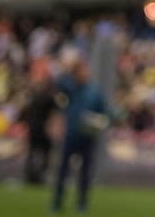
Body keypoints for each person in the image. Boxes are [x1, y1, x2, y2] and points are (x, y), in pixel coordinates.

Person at [50, 57, 109, 214]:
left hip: (88, 136)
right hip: (71, 134)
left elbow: (104, 112)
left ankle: (82, 203)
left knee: (85, 173)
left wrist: (98, 121)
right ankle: (57, 202)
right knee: (63, 170)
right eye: (81, 71)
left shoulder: (94, 91)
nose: (84, 74)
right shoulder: (71, 87)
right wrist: (69, 70)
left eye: (85, 70)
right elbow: (58, 85)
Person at [22, 75, 58, 185]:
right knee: (46, 152)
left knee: (32, 152)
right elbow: (56, 113)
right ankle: (41, 174)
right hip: (42, 130)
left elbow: (26, 113)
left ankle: (30, 175)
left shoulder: (34, 97)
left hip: (33, 129)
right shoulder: (50, 98)